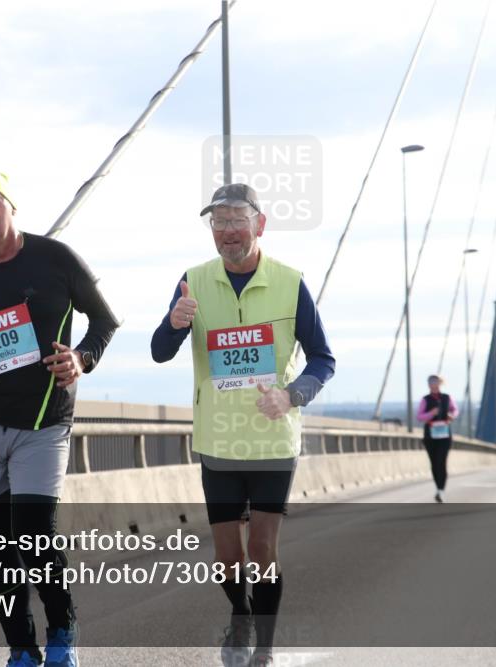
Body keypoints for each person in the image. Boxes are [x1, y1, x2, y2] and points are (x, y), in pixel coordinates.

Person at [0, 167, 120, 667]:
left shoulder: (54, 259)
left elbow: (104, 321)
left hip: (43, 423)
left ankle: (62, 635)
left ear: (11, 207)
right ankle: (21, 651)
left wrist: (82, 358)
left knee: (35, 536)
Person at [151, 183, 335, 667]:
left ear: (259, 224)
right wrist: (174, 322)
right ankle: (240, 615)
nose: (228, 231)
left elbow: (323, 359)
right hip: (218, 438)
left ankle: (265, 649)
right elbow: (159, 351)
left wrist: (291, 395)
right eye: (218, 222)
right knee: (228, 557)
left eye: (236, 219)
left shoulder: (290, 281)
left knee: (262, 549)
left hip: (273, 439)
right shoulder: (193, 280)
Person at [415, 375, 459, 502]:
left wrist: (452, 415)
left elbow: (455, 410)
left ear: (440, 383)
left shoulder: (447, 397)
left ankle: (441, 490)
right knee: (434, 463)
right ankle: (438, 488)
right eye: (430, 382)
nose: (433, 384)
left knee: (441, 461)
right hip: (430, 435)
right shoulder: (425, 399)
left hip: (444, 435)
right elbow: (419, 416)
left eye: (435, 382)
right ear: (428, 385)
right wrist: (431, 414)